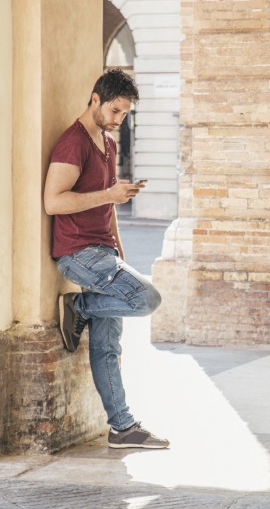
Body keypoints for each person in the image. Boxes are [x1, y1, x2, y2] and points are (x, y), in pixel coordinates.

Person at [43, 69, 168, 449]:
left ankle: (121, 427)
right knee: (147, 299)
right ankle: (78, 305)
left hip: (104, 252)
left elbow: (108, 203)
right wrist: (110, 196)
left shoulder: (108, 144)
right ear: (95, 99)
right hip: (77, 253)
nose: (118, 120)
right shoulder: (72, 144)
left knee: (108, 347)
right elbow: (53, 201)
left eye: (125, 115)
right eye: (115, 111)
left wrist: (119, 246)